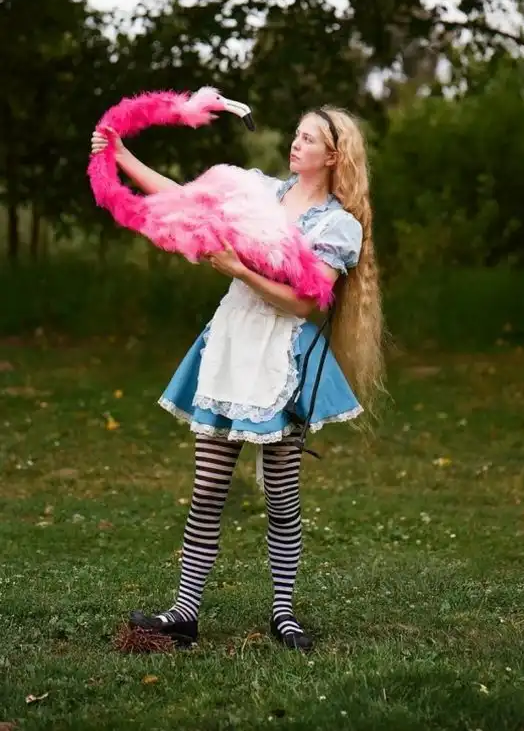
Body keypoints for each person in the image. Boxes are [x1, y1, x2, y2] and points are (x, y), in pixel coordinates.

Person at [90, 106, 383, 652]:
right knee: (207, 489)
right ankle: (184, 614)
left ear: (333, 156)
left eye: (308, 139)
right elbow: (182, 198)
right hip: (231, 344)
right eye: (296, 134)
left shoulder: (337, 226)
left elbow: (303, 303)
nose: (295, 144)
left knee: (282, 495)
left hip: (282, 358)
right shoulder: (258, 193)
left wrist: (240, 270)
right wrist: (121, 155)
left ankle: (283, 614)